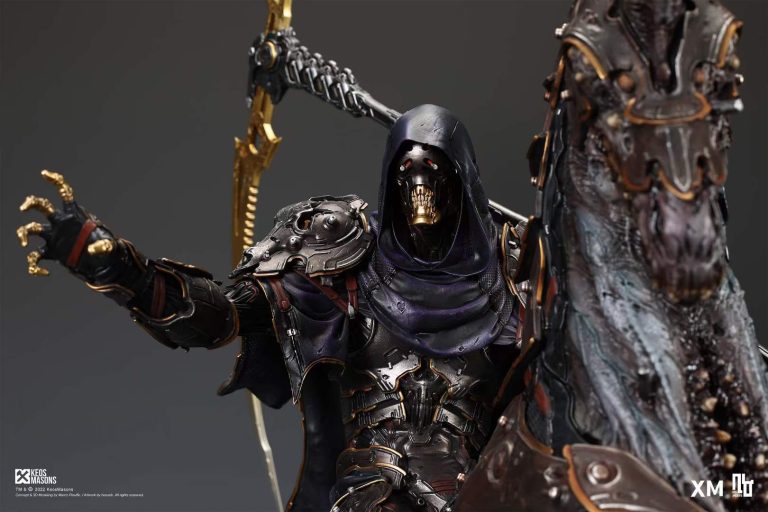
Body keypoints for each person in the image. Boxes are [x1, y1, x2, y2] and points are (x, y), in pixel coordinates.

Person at [16, 104, 524, 512]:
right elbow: (221, 317)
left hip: (484, 489)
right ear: (390, 178)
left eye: (433, 172)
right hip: (371, 490)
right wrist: (130, 274)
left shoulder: (517, 272)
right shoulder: (341, 257)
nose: (419, 191)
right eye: (406, 173)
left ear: (462, 178)